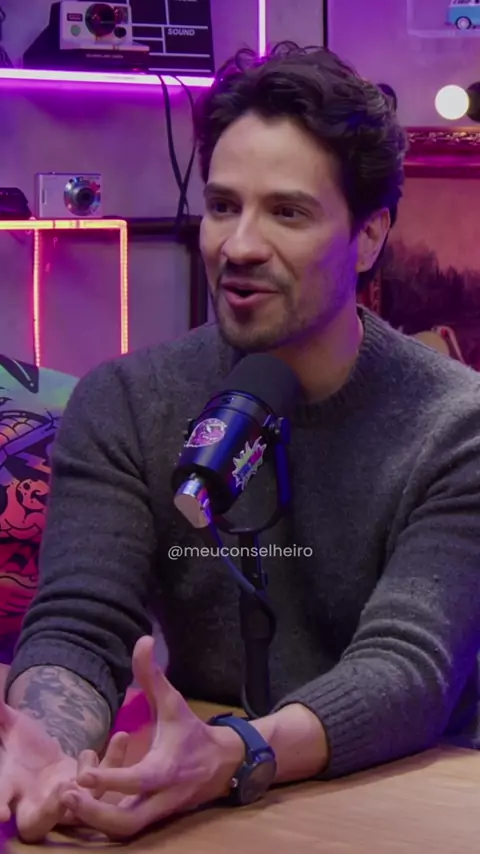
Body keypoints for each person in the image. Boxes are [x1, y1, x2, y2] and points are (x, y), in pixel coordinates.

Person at [2, 40, 480, 842]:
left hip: (418, 796)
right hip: (212, 807)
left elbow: (407, 667)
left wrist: (235, 753)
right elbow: (82, 624)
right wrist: (47, 746)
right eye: (223, 206)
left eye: (287, 212)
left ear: (368, 237)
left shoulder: (457, 425)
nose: (240, 245)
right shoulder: (125, 402)